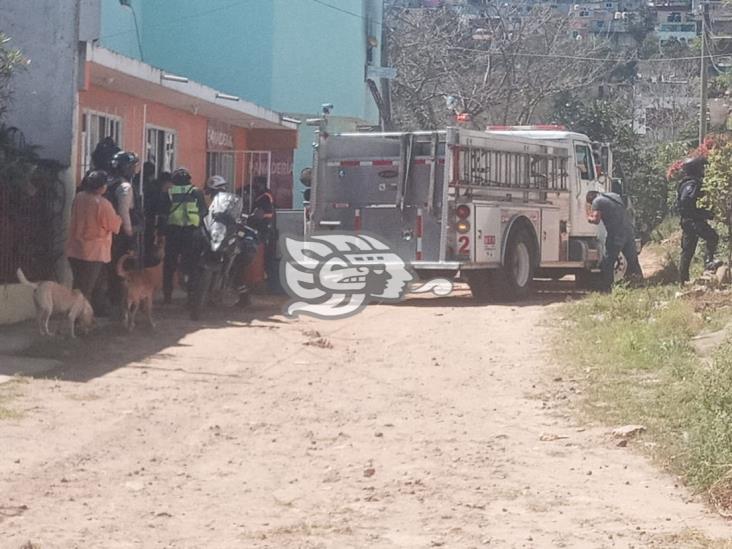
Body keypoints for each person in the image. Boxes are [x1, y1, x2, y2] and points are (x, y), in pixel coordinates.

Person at [66, 170, 122, 308]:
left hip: (74, 248)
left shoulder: (79, 197)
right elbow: (114, 226)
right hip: (95, 252)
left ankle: (86, 315)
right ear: (102, 187)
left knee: (79, 285)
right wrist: (121, 218)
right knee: (87, 290)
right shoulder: (103, 204)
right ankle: (80, 320)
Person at [162, 167, 207, 304]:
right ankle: (191, 297)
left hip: (173, 232)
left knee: (169, 265)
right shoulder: (196, 191)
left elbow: (164, 213)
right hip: (191, 233)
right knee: (192, 265)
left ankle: (167, 296)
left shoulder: (168, 192)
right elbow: (204, 211)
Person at [105, 150, 141, 315]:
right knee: (123, 269)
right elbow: (124, 211)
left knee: (110, 268)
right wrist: (129, 234)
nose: (134, 170)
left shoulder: (107, 182)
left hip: (106, 232)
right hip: (121, 234)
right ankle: (120, 305)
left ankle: (111, 303)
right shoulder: (124, 186)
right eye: (133, 166)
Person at [586, 189, 643, 292]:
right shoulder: (614, 196)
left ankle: (607, 289)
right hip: (628, 232)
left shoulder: (597, 202)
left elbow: (596, 220)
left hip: (616, 234)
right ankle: (639, 284)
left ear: (591, 199)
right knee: (633, 260)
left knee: (607, 261)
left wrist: (588, 217)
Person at [677, 156, 722, 283]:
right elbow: (686, 201)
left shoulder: (688, 182)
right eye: (701, 168)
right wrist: (702, 214)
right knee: (712, 237)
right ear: (695, 169)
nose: (703, 170)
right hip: (693, 220)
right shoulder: (692, 184)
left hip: (689, 220)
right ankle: (709, 261)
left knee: (687, 251)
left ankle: (683, 280)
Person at [249, 176, 278, 292]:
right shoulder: (263, 195)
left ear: (261, 184)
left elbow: (267, 214)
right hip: (262, 228)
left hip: (264, 229)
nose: (255, 186)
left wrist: (255, 218)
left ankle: (266, 283)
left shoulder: (265, 196)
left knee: (264, 257)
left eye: (256, 183)